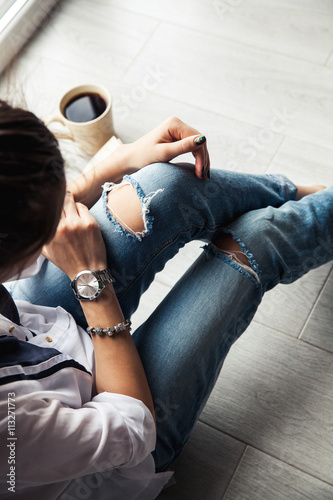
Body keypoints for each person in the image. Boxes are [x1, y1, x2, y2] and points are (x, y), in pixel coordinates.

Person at [0, 99, 331, 500]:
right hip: (118, 439)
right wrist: (91, 281)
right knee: (253, 240)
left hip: (34, 329)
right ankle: (317, 213)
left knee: (159, 189)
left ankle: (298, 196)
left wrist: (113, 164)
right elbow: (130, 429)